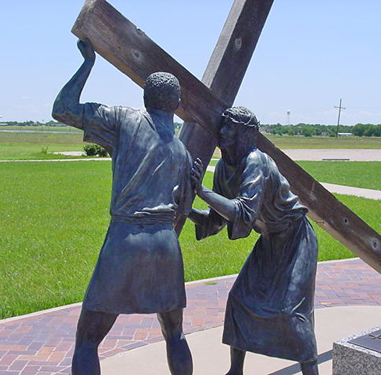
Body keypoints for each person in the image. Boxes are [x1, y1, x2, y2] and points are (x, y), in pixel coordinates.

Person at [52, 39, 194, 375]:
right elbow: (182, 211)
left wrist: (88, 64)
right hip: (165, 243)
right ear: (176, 103)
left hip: (126, 238)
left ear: (146, 99)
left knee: (87, 340)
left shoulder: (123, 121)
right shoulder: (182, 152)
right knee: (174, 333)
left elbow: (63, 108)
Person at [189, 107, 319, 375]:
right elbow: (216, 220)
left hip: (296, 239)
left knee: (292, 313)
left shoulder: (256, 161)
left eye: (229, 128)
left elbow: (243, 212)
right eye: (221, 126)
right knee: (239, 300)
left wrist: (200, 190)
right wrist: (186, 209)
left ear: (244, 134)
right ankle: (235, 371)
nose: (221, 132)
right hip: (270, 241)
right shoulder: (224, 167)